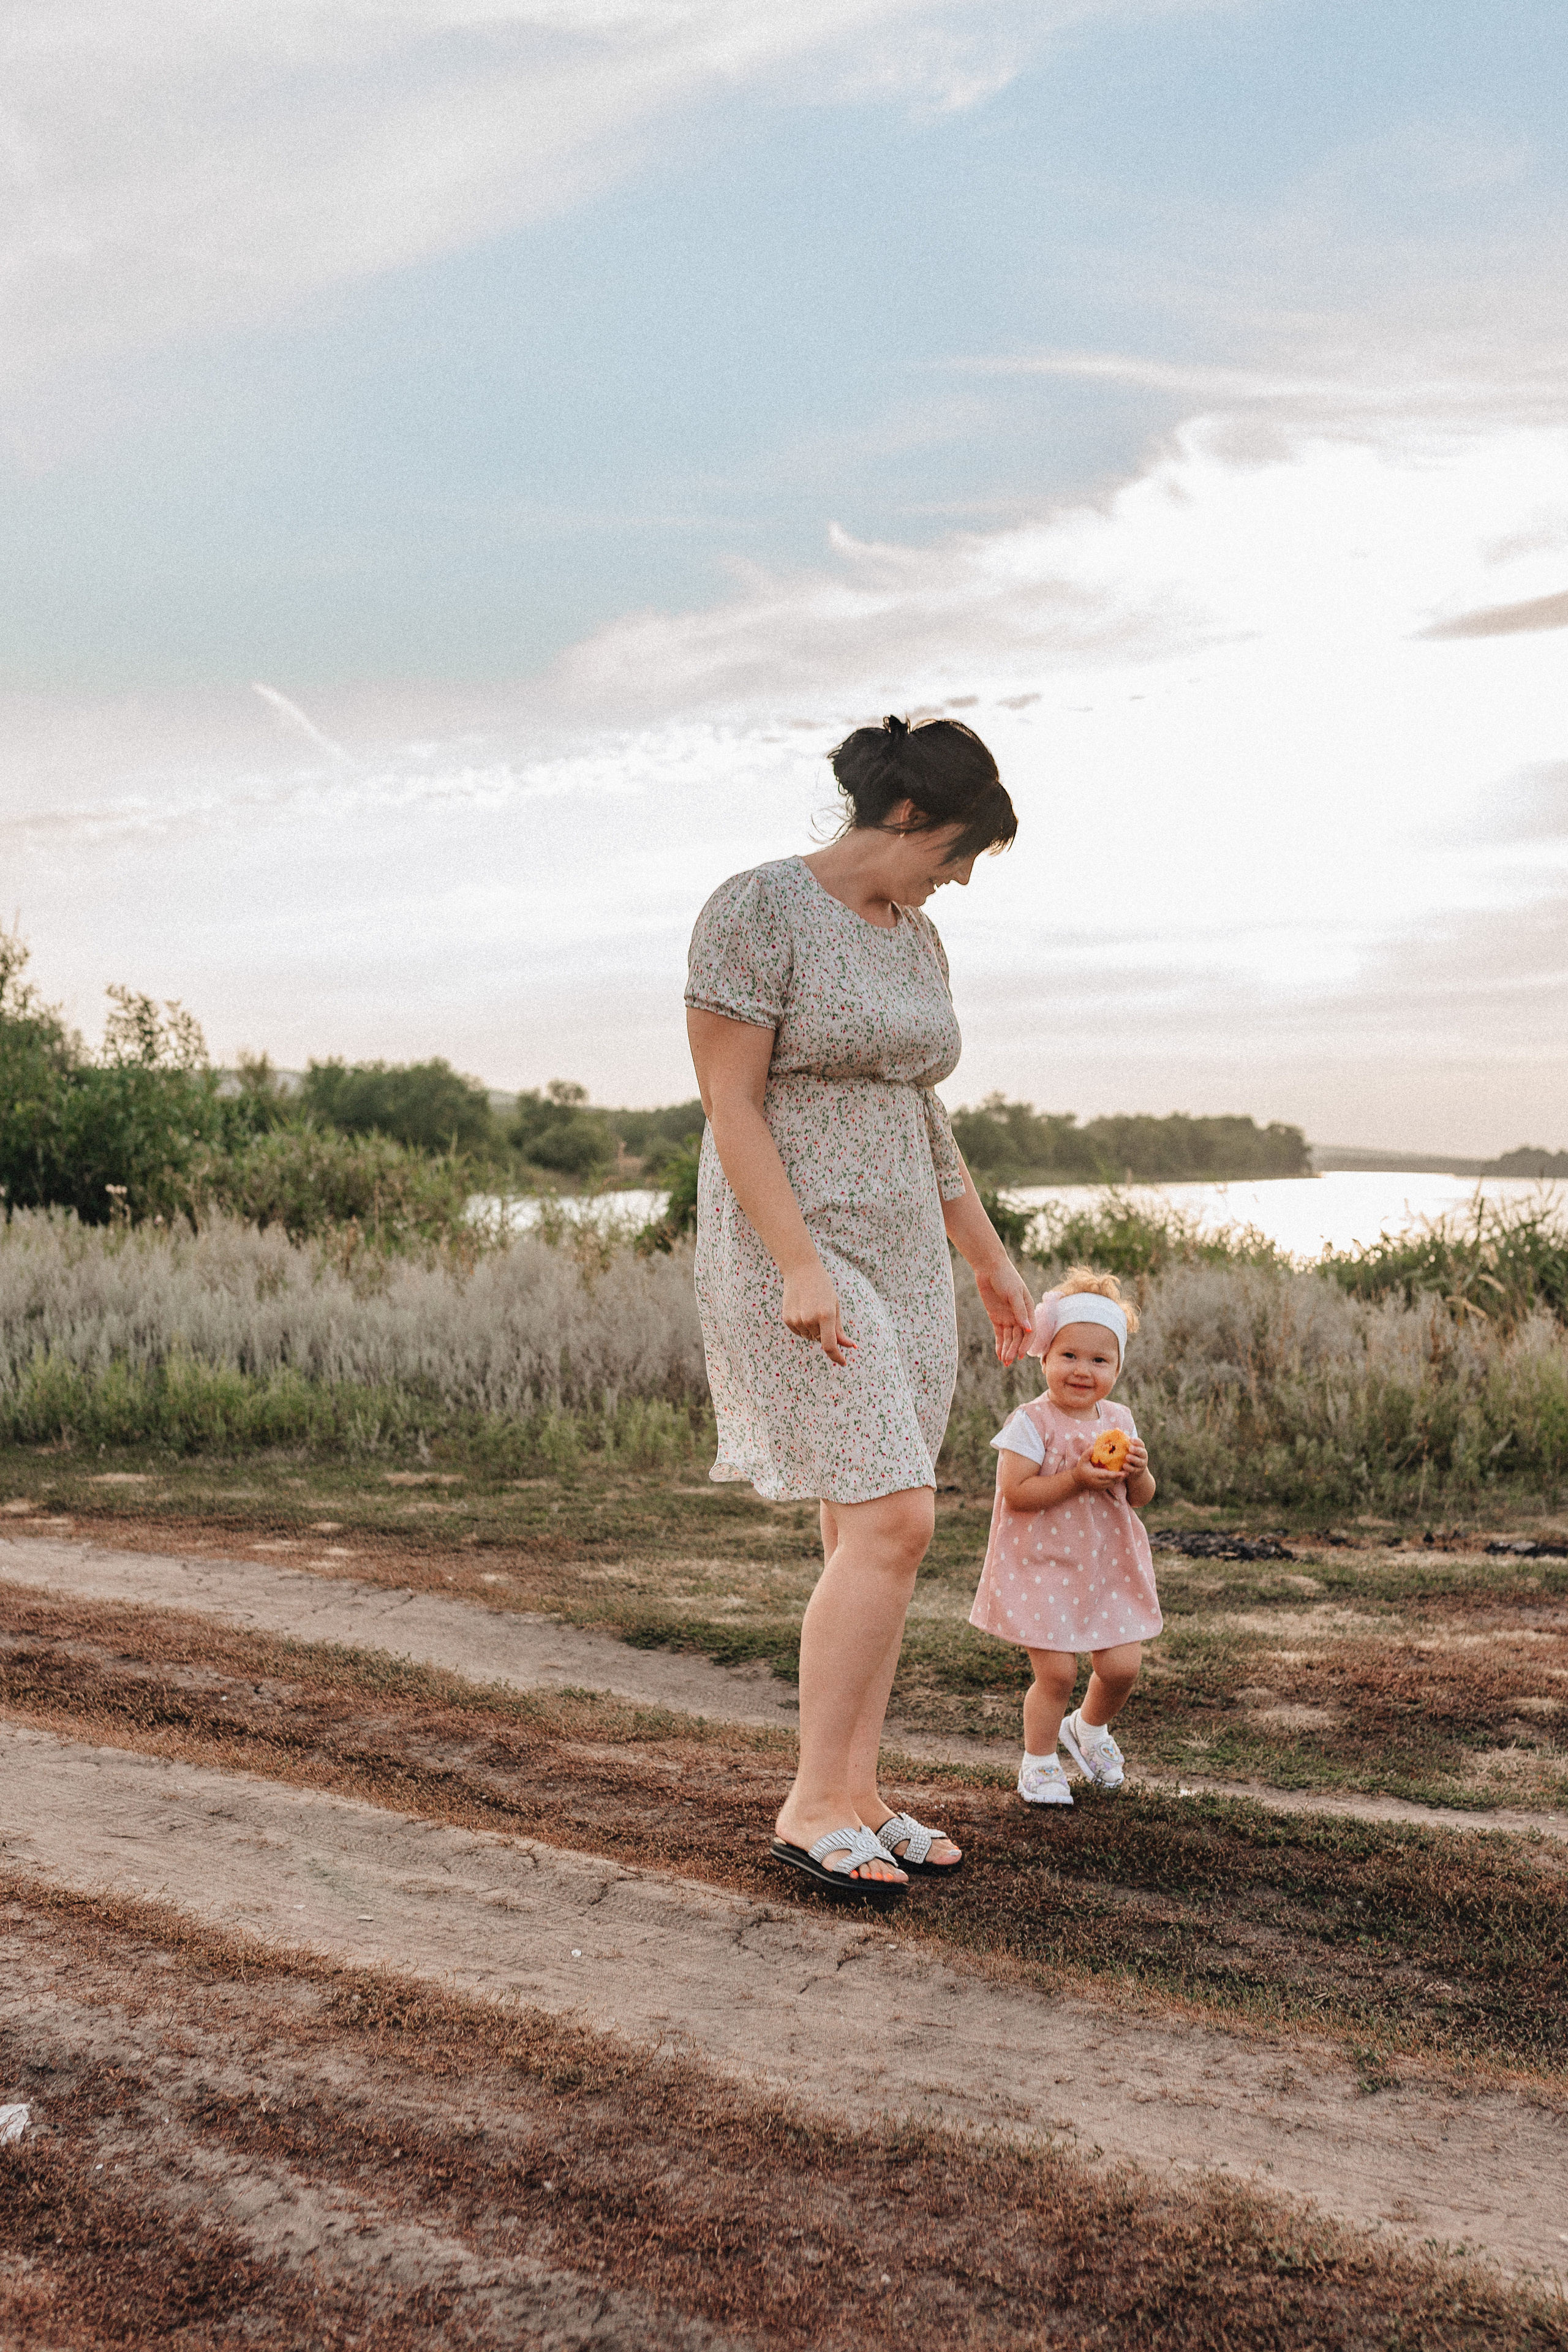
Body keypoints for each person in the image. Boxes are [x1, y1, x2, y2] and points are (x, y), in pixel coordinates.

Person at [684, 714, 1035, 1897]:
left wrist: (986, 1258)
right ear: (904, 817)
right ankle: (808, 1804)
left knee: (866, 1527)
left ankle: (860, 1789)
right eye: (959, 851)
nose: (962, 877)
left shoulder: (918, 939)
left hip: (903, 1249)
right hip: (798, 1241)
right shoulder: (757, 909)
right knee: (896, 1521)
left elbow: (921, 1112)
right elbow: (731, 1106)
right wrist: (797, 1265)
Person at [968, 1270, 1161, 1806]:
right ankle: (1039, 1762)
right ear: (1046, 1356)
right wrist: (1075, 1477)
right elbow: (1017, 1493)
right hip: (1044, 1564)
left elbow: (1140, 1497)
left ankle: (1090, 1728)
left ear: (1117, 1367)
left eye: (1099, 1361)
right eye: (1069, 1356)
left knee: (1122, 1667)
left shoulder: (1119, 1421)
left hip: (1107, 1565)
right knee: (1056, 1673)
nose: (1083, 1370)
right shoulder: (1032, 1422)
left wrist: (1140, 1472)